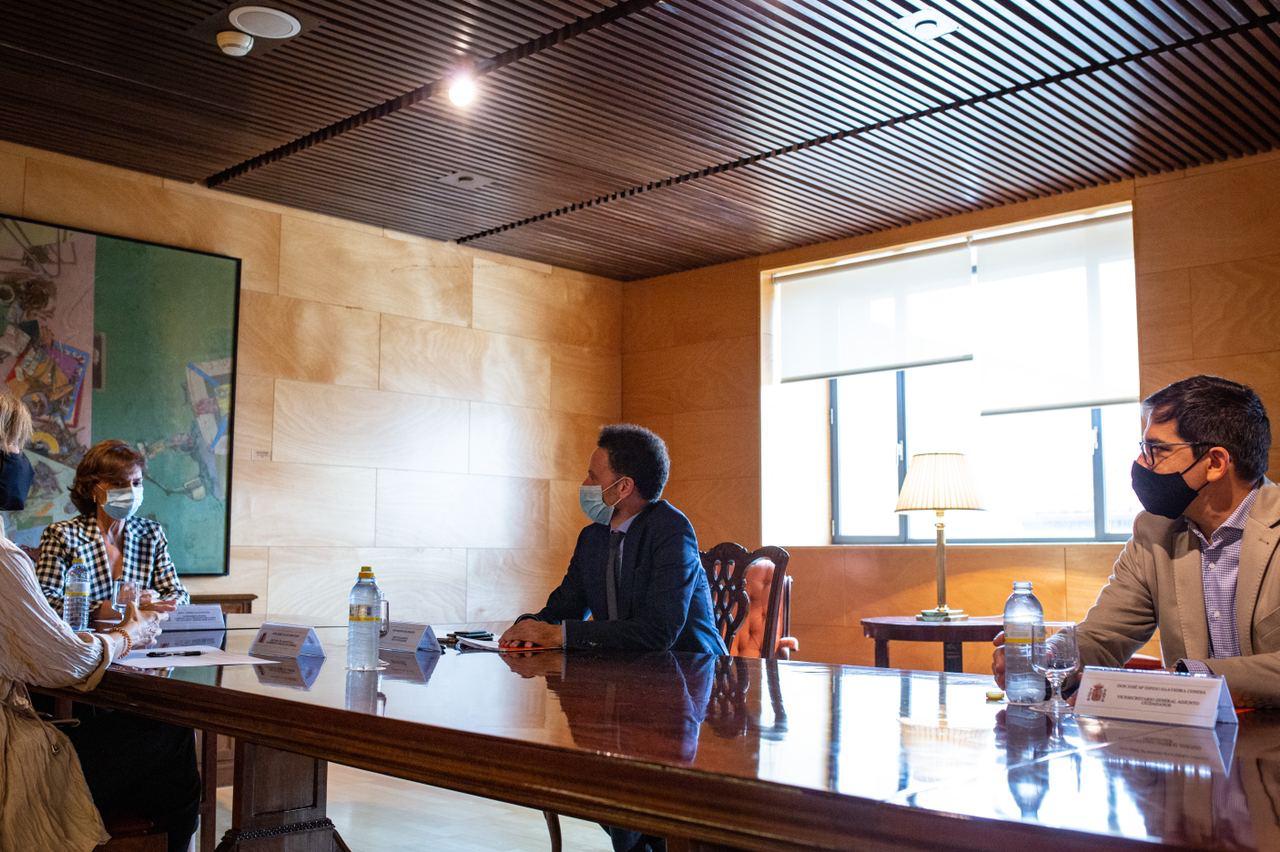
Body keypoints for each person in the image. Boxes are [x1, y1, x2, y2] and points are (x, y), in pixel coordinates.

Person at [992, 375, 1280, 707]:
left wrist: (1187, 680)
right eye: (1144, 448)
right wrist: (1048, 656)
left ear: (1215, 463)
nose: (1142, 463)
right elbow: (1103, 636)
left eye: (1157, 450)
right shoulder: (1154, 531)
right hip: (1194, 736)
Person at [0, 393, 198, 851]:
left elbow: (176, 593)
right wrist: (128, 632)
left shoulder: (150, 533)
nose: (20, 461)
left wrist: (148, 607)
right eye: (14, 448)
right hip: (14, 754)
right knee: (170, 732)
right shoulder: (19, 554)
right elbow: (65, 660)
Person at [500, 423, 725, 655]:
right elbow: (563, 610)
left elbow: (658, 631)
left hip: (693, 669)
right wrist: (528, 628)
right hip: (621, 670)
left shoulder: (671, 530)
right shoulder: (592, 537)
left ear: (623, 487)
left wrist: (560, 635)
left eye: (592, 477)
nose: (584, 485)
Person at [36, 438, 189, 621]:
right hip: (86, 637)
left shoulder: (151, 534)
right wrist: (123, 607)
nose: (131, 492)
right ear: (93, 489)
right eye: (119, 484)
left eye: (136, 483)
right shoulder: (63, 536)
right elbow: (46, 601)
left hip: (141, 636)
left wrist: (155, 602)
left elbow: (178, 594)